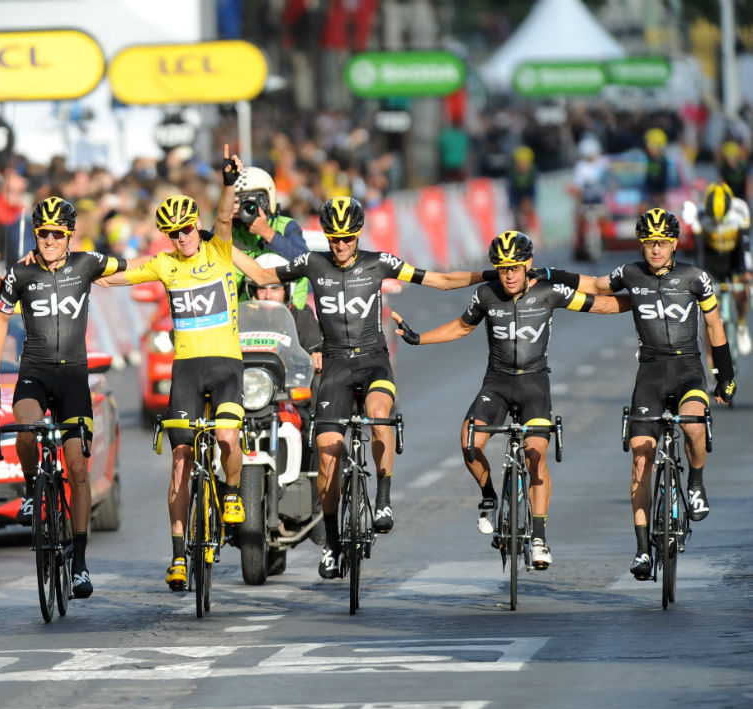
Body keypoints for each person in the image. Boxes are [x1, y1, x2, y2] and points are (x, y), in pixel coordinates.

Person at [255, 196, 487, 579]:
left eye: (346, 238)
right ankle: (331, 544)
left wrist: (488, 275)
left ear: (357, 234)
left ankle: (382, 498)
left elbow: (441, 281)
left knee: (380, 415)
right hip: (335, 366)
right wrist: (218, 242)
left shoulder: (380, 263)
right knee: (328, 452)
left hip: (373, 359)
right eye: (333, 238)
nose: (340, 245)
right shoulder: (313, 263)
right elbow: (264, 278)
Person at [95, 146, 277, 591]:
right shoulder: (164, 263)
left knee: (227, 437)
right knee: (180, 462)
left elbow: (221, 215)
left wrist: (229, 181)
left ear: (196, 227)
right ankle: (178, 557)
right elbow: (117, 273)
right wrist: (69, 266)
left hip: (226, 366)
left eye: (185, 230)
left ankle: (232, 496)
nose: (181, 239)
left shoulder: (217, 248)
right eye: (172, 233)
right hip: (186, 372)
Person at [390, 231, 625, 569]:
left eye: (515, 267)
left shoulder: (549, 291)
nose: (509, 275)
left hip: (534, 384)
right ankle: (489, 497)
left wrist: (646, 300)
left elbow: (600, 303)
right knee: (469, 441)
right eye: (502, 269)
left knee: (535, 455)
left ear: (527, 264)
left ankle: (540, 538)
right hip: (497, 383)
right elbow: (460, 327)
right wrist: (417, 338)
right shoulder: (485, 294)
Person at [567, 209, 735, 579]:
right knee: (641, 460)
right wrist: (550, 275)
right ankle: (643, 549)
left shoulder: (695, 277)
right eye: (648, 243)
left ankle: (694, 484)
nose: (655, 250)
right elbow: (595, 286)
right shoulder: (631, 274)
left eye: (661, 243)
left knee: (693, 426)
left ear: (674, 243)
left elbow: (713, 322)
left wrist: (725, 374)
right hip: (650, 374)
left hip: (688, 369)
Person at [0, 197, 127, 599]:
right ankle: (32, 491)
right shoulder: (20, 272)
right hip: (34, 371)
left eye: (56, 234)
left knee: (78, 469)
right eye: (42, 233)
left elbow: (137, 270)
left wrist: (183, 258)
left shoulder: (86, 263)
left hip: (73, 377)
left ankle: (79, 562)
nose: (48, 240)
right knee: (26, 431)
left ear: (69, 236)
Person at [686, 182, 751, 355]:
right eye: (714, 219)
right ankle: (712, 359)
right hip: (711, 260)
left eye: (721, 219)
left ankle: (742, 325)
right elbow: (698, 252)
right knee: (711, 310)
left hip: (733, 258)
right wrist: (698, 277)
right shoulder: (699, 215)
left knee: (742, 290)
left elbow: (744, 247)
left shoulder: (741, 210)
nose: (718, 223)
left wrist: (747, 271)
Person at [230, 167, 310, 307]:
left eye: (254, 201)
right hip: (245, 318)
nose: (248, 208)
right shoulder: (229, 232)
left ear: (269, 198)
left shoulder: (286, 226)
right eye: (240, 201)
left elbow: (305, 260)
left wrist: (267, 232)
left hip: (290, 317)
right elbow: (209, 256)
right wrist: (224, 220)